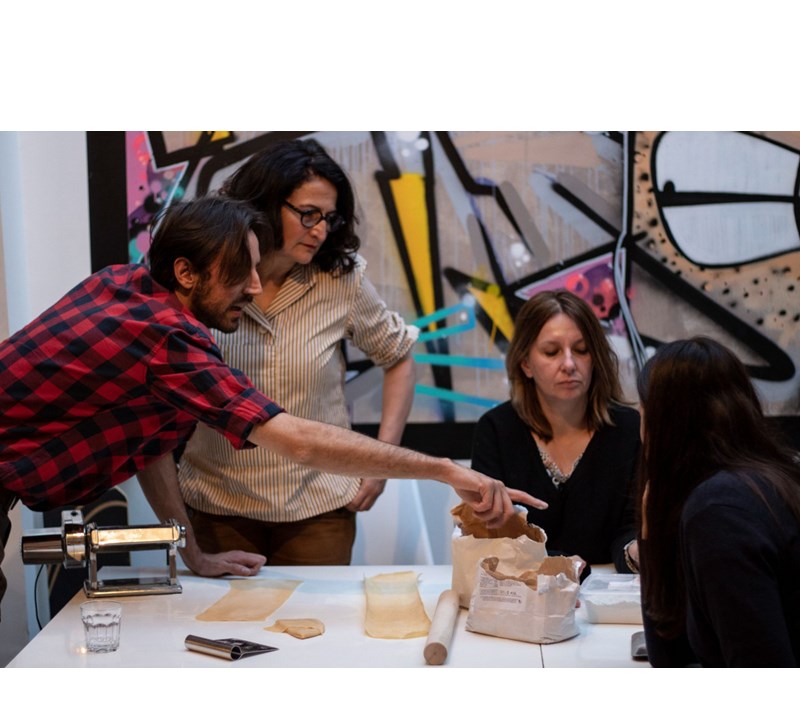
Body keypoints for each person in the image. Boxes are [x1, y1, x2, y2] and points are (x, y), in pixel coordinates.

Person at [0, 195, 544, 613]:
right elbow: (301, 443)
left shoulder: (125, 285)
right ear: (187, 273)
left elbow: (149, 444)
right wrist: (445, 470)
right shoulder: (164, 338)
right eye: (241, 271)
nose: (256, 287)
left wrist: (192, 556)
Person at [177, 139, 416, 566]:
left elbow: (398, 357)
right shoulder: (208, 275)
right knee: (221, 630)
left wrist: (382, 464)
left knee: (316, 630)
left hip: (318, 509)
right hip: (215, 505)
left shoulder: (341, 280)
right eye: (308, 214)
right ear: (266, 204)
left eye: (329, 217)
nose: (321, 230)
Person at [637, 337, 800, 667]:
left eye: (642, 413)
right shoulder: (766, 482)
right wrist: (652, 533)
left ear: (663, 423)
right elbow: (672, 656)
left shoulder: (719, 512)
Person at [471, 290, 640, 571]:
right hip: (525, 590)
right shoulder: (496, 429)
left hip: (608, 594)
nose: (569, 364)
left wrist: (635, 552)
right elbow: (490, 534)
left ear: (595, 358)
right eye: (551, 352)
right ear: (526, 363)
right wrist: (553, 566)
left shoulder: (628, 428)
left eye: (581, 350)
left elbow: (630, 529)